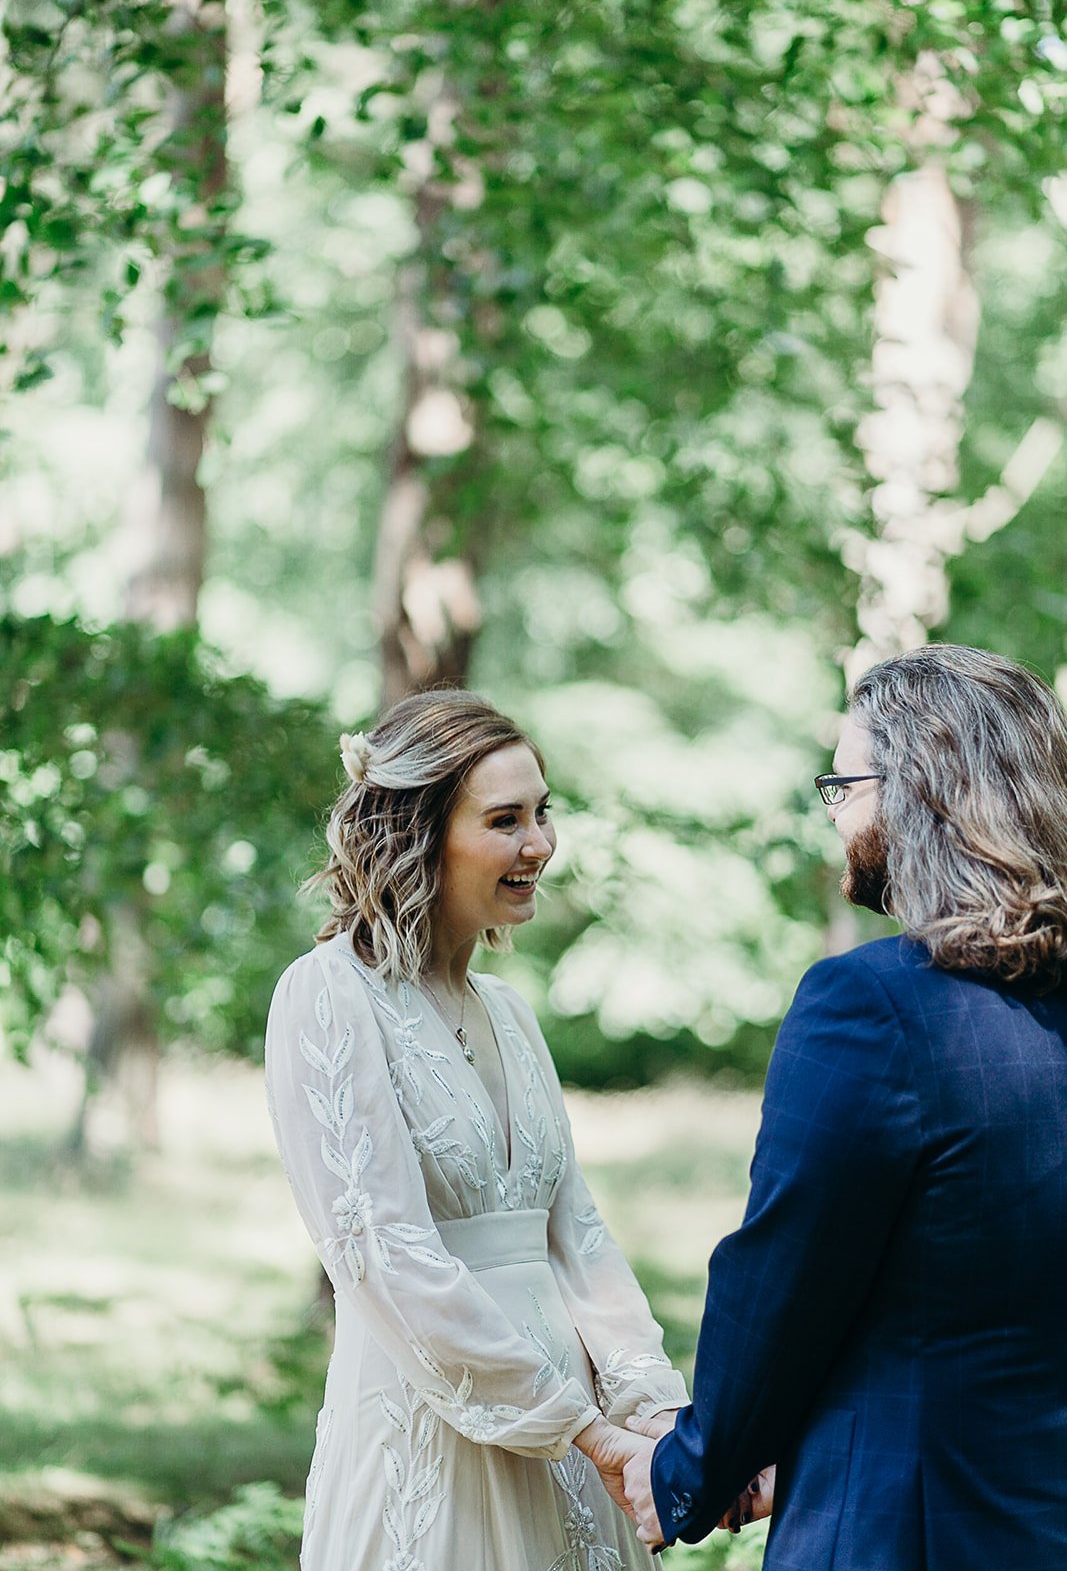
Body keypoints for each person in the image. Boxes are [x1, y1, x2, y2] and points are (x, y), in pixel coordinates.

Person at [611, 644, 1067, 1568]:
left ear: (914, 791)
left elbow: (781, 1279)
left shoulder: (875, 1006)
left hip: (910, 1523)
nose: (836, 813)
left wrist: (691, 1472)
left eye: (843, 783)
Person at [264, 689, 689, 1571]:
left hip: (575, 1441)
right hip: (432, 1426)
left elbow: (578, 1238)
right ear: (418, 831)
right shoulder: (328, 996)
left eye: (542, 813)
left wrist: (651, 1412)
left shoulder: (510, 1013)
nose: (538, 843)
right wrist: (583, 1430)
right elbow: (384, 1253)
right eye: (505, 819)